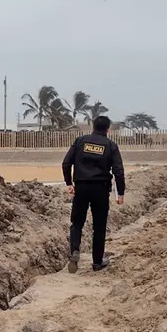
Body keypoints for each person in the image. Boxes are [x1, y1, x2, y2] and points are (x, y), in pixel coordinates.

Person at [61, 115, 126, 273]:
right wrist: (120, 193)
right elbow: (118, 171)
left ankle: (75, 250)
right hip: (101, 189)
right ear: (108, 130)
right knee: (99, 226)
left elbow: (66, 163)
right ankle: (97, 262)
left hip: (81, 187)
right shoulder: (111, 145)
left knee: (77, 223)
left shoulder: (80, 141)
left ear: (93, 127)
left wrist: (69, 183)